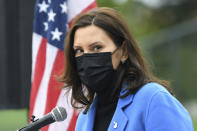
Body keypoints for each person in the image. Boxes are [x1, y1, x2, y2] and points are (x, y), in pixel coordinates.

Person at [60, 7, 194, 131]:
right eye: (79, 50)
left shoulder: (153, 98)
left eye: (97, 47)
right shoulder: (84, 119)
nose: (87, 58)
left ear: (123, 51)